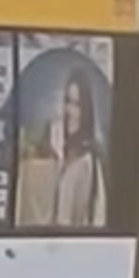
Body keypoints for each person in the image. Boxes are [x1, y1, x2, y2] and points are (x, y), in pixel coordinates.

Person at [49, 67, 107, 228]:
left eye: (76, 104)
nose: (69, 110)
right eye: (67, 101)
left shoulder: (88, 163)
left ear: (85, 111)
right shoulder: (64, 156)